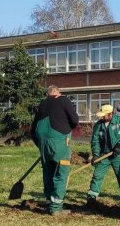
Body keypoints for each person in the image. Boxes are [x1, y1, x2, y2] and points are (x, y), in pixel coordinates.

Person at [31, 85, 79, 215]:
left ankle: (48, 202)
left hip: (42, 141)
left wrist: (41, 146)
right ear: (58, 92)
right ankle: (56, 207)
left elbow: (33, 130)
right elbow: (75, 120)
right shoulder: (64, 100)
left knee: (48, 171)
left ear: (47, 94)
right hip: (59, 140)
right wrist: (66, 130)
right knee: (61, 173)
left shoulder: (42, 104)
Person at [86, 104, 120, 204]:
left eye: (104, 115)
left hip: (117, 155)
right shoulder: (99, 125)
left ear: (110, 114)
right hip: (104, 155)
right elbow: (95, 140)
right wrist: (96, 154)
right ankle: (91, 198)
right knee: (97, 175)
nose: (102, 117)